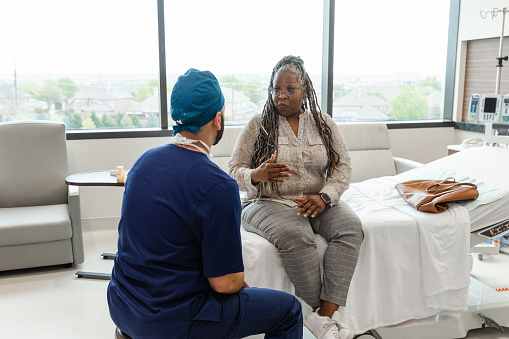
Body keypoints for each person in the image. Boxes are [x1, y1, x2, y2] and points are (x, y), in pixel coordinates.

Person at [107, 68, 303, 339]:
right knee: (289, 310)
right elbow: (226, 284)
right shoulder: (219, 185)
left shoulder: (143, 162)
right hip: (171, 321)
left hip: (123, 305)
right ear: (218, 119)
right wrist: (233, 281)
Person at [228, 56, 364, 339]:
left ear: (304, 89)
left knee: (350, 227)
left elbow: (343, 166)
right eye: (277, 89)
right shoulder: (257, 125)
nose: (282, 95)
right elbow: (233, 169)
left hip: (316, 199)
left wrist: (326, 197)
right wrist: (256, 174)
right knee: (296, 235)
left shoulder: (323, 124)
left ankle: (323, 317)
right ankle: (321, 315)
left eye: (290, 89)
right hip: (267, 202)